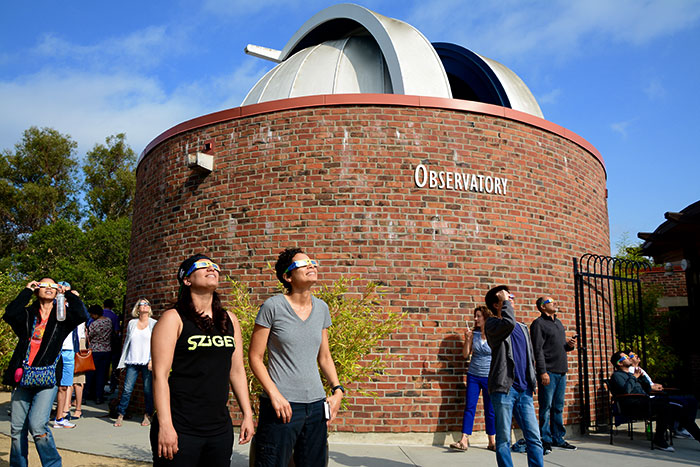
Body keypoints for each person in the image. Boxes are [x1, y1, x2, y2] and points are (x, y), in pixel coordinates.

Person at [151, 254, 254, 466]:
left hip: (219, 429)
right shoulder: (173, 318)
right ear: (186, 280)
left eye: (214, 266)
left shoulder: (229, 319)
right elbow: (160, 376)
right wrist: (165, 425)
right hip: (181, 425)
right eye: (203, 266)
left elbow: (236, 371)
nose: (211, 269)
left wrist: (247, 414)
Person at [250, 248, 345, 466]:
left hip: (316, 406)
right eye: (303, 264)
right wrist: (274, 395)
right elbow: (255, 357)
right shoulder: (272, 307)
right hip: (282, 406)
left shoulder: (322, 308)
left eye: (312, 262)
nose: (312, 266)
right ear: (288, 277)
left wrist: (337, 390)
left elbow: (325, 357)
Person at [3, 279, 86, 466]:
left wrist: (70, 295)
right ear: (37, 290)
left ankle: (52, 464)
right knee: (17, 429)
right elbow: (9, 313)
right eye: (44, 285)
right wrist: (26, 290)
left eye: (53, 286)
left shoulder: (61, 318)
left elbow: (81, 315)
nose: (49, 288)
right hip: (23, 376)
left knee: (38, 426)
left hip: (47, 379)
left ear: (57, 292)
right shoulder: (27, 315)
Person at [484, 285, 543, 467]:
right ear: (497, 304)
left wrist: (532, 380)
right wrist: (505, 302)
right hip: (504, 390)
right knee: (503, 439)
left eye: (512, 297)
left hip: (524, 390)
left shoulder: (523, 327)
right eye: (508, 298)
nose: (512, 300)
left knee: (534, 438)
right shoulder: (493, 325)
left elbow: (530, 356)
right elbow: (508, 323)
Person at [608, 350, 700, 451]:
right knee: (667, 406)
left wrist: (642, 378)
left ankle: (662, 438)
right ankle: (659, 439)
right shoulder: (617, 376)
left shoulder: (633, 374)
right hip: (633, 405)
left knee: (679, 409)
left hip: (644, 402)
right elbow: (626, 391)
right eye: (625, 357)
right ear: (620, 363)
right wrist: (634, 377)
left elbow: (647, 389)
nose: (629, 357)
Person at [530, 296, 577, 453]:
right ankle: (545, 439)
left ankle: (558, 438)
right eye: (550, 302)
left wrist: (568, 346)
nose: (555, 303)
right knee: (546, 407)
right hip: (548, 372)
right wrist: (542, 372)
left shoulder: (558, 323)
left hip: (561, 371)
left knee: (558, 407)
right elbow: (538, 350)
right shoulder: (538, 324)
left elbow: (559, 347)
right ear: (542, 307)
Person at [450, 305, 496, 451]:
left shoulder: (494, 335)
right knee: (470, 407)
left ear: (486, 317)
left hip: (489, 377)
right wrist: (467, 339)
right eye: (475, 316)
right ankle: (464, 440)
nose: (475, 319)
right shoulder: (474, 334)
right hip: (473, 376)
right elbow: (465, 355)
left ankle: (492, 441)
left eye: (478, 316)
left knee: (490, 409)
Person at [114, 298, 157, 427]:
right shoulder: (132, 323)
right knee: (127, 389)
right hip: (132, 360)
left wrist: (152, 360)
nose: (144, 306)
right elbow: (127, 342)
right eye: (141, 304)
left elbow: (156, 343)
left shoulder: (154, 323)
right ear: (137, 309)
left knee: (147, 390)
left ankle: (148, 415)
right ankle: (120, 414)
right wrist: (123, 360)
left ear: (149, 308)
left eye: (147, 304)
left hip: (147, 361)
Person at [86, 304, 112, 404]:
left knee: (90, 374)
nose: (91, 316)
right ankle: (99, 396)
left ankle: (87, 394)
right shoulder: (108, 321)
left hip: (95, 350)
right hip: (106, 350)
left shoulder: (94, 324)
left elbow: (90, 336)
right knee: (101, 375)